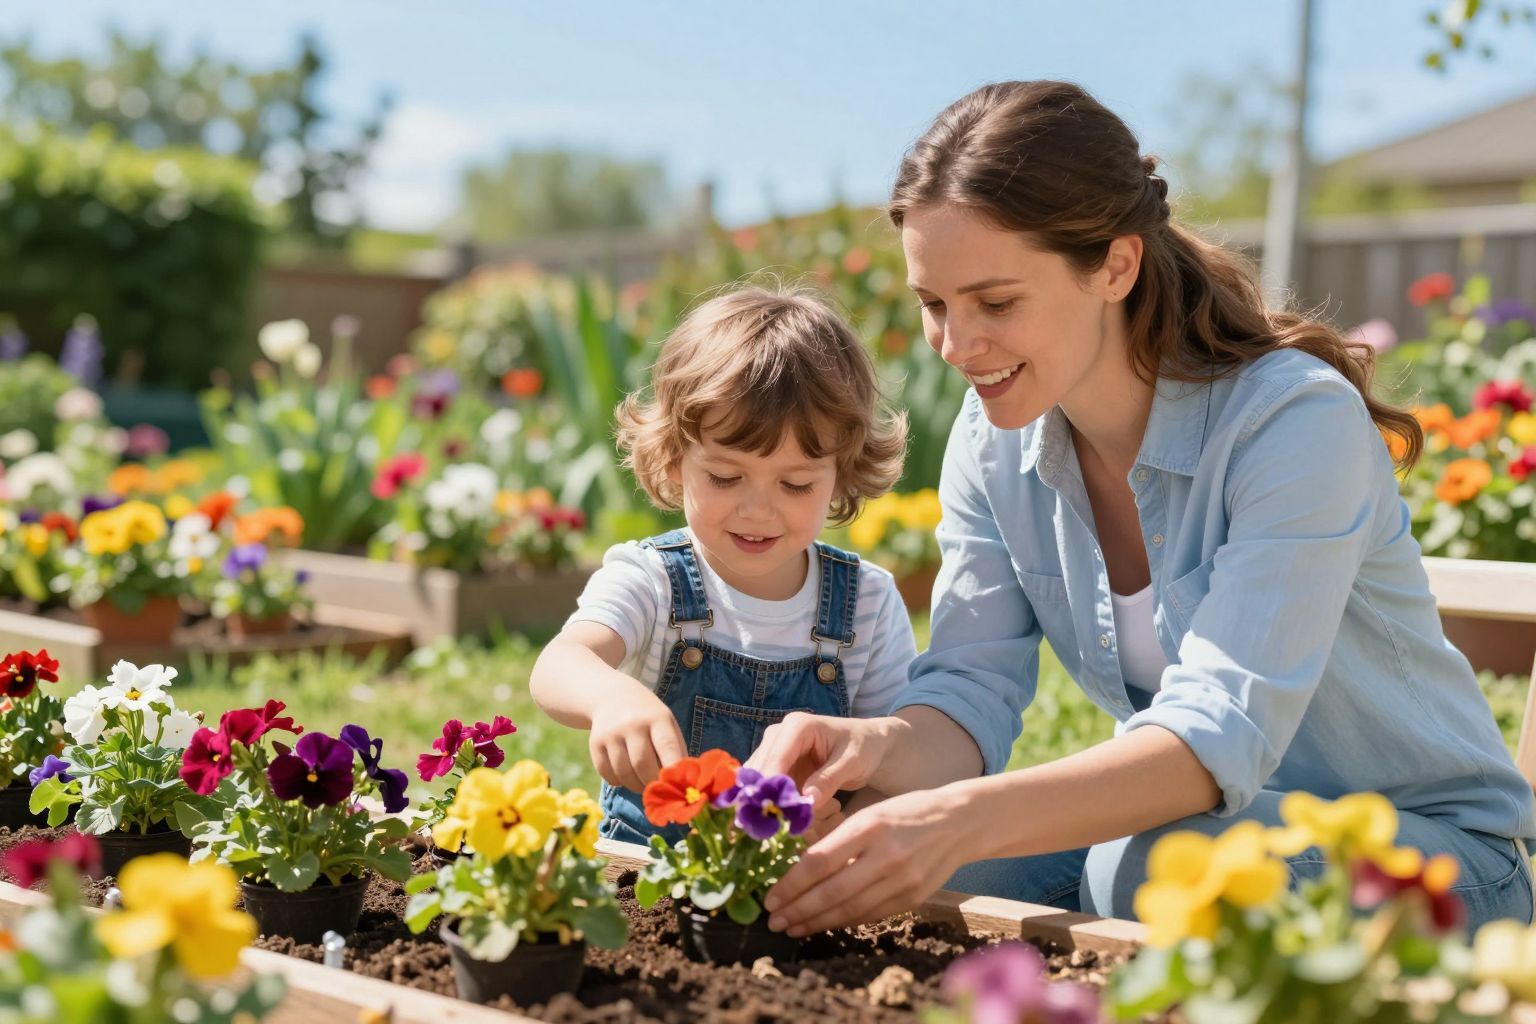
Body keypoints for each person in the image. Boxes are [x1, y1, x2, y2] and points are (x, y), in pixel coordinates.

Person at [746, 80, 1536, 937]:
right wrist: (877, 752)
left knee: (1141, 867)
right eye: (934, 305)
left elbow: (1215, 734)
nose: (957, 345)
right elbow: (970, 688)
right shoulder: (993, 438)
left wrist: (957, 817)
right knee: (896, 857)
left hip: (1435, 864)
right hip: (1200, 832)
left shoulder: (1291, 421)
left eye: (996, 303)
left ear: (1116, 266)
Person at [530, 284, 917, 844]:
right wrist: (610, 696)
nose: (757, 509)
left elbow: (895, 753)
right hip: (647, 870)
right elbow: (560, 663)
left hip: (800, 871)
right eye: (725, 477)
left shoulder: (867, 604)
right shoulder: (652, 579)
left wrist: (849, 821)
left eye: (795, 484)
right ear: (674, 458)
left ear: (841, 474)